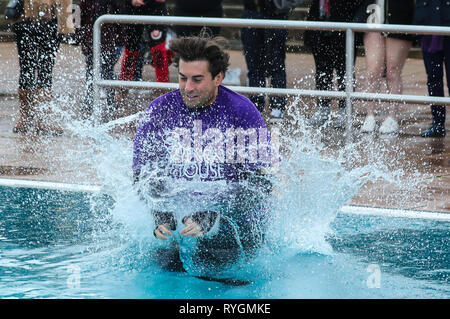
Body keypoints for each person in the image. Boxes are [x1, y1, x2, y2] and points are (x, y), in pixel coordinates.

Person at [132, 36, 274, 274]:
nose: (188, 88)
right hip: (180, 225)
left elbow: (262, 185)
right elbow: (141, 175)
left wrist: (214, 215)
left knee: (219, 274)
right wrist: (161, 213)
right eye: (183, 78)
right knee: (164, 270)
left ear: (218, 77)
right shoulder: (160, 110)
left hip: (233, 228)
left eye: (197, 80)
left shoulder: (242, 112)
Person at [12, 0, 75, 134]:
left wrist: (66, 25)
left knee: (46, 69)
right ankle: (25, 115)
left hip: (52, 19)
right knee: (26, 69)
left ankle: (43, 116)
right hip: (25, 19)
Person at [356, 0, 416, 134]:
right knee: (373, 71)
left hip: (399, 15)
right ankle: (370, 115)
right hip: (373, 13)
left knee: (392, 71)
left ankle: (392, 116)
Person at [305, 0, 362, 128]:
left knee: (345, 71)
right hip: (318, 25)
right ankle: (323, 109)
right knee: (322, 71)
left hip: (345, 25)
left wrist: (357, 22)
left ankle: (345, 110)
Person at [115, 0, 174, 103]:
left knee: (158, 50)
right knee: (131, 49)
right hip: (133, 8)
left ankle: (163, 89)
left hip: (156, 7)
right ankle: (124, 86)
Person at [240, 0, 290, 121]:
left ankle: (278, 106)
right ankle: (256, 106)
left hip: (275, 13)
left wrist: (281, 5)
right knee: (253, 64)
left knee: (277, 64)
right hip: (251, 12)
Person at [78, 0, 122, 119]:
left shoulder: (112, 3)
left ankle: (110, 100)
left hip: (107, 40)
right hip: (90, 40)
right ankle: (89, 99)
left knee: (108, 70)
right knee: (90, 71)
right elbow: (79, 17)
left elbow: (118, 17)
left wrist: (120, 38)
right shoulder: (85, 2)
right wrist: (77, 36)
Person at [413, 0, 449, 137]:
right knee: (433, 78)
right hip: (427, 24)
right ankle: (438, 123)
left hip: (446, 22)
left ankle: (438, 123)